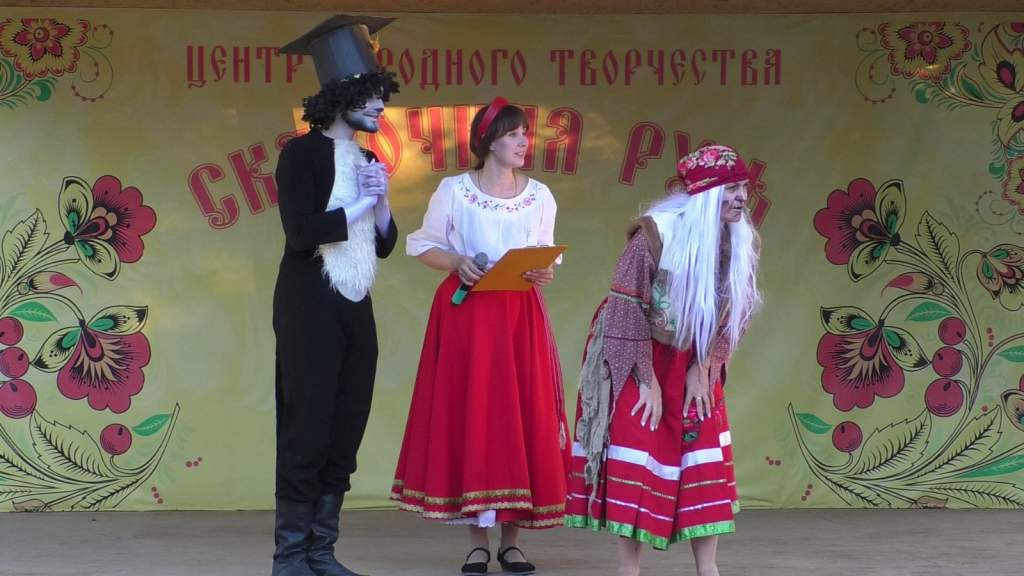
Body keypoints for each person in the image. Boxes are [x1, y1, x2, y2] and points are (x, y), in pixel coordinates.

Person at [565, 145, 762, 576]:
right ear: (705, 195)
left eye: (743, 188)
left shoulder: (737, 239)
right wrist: (646, 380)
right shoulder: (655, 234)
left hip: (693, 357)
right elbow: (625, 306)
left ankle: (708, 568)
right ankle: (628, 569)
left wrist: (703, 368)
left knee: (702, 451)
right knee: (638, 451)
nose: (740, 198)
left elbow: (735, 314)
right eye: (730, 189)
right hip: (636, 348)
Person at [391, 97, 569, 575]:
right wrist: (457, 261)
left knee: (519, 414)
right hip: (468, 314)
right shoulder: (454, 190)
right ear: (489, 141)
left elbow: (546, 255)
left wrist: (543, 271)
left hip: (518, 315)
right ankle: (476, 542)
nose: (523, 142)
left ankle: (511, 542)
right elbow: (424, 246)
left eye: (524, 134)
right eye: (513, 135)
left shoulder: (540, 195)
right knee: (472, 413)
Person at [272, 14, 400, 576]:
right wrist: (359, 204)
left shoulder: (369, 159)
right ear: (338, 96)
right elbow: (301, 233)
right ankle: (290, 558)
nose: (380, 106)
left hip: (355, 307)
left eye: (382, 95)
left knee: (347, 425)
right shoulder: (299, 155)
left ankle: (321, 552)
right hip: (310, 307)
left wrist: (383, 201)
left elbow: (383, 243)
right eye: (369, 95)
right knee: (308, 427)